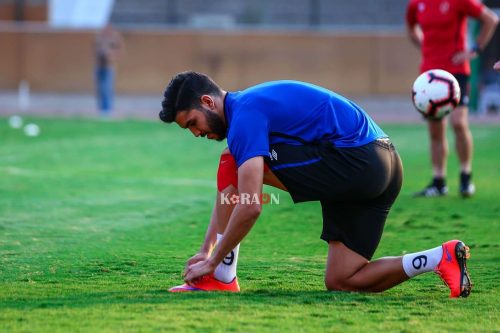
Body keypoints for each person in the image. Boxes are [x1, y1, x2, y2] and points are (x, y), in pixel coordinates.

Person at [160, 71, 472, 297]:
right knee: (343, 279)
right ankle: (440, 258)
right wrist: (206, 250)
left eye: (193, 123)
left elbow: (250, 206)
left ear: (207, 102)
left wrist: (213, 259)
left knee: (232, 161)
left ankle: (222, 276)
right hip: (385, 166)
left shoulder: (244, 115)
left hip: (358, 161)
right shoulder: (249, 106)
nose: (196, 133)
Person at [406, 0, 499, 198]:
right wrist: (426, 46)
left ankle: (466, 177)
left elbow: (491, 19)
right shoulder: (416, 4)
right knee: (435, 130)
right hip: (429, 76)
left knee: (458, 123)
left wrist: (475, 49)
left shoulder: (460, 1)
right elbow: (411, 28)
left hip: (455, 73)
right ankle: (438, 182)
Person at [94, 24, 124, 117]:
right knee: (100, 88)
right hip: (99, 66)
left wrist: (111, 56)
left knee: (107, 88)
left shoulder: (114, 39)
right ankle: (101, 108)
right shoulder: (99, 38)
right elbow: (94, 49)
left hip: (109, 67)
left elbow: (120, 50)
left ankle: (107, 109)